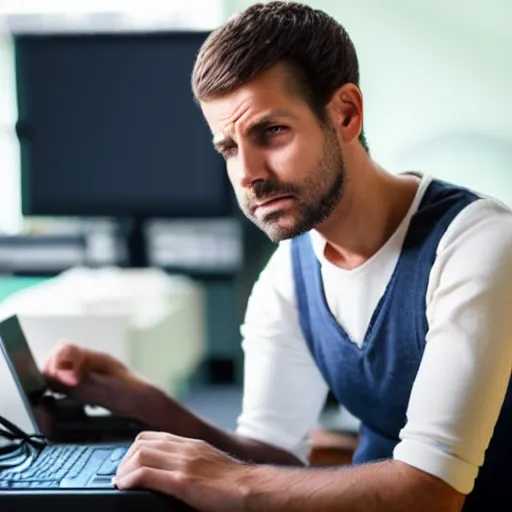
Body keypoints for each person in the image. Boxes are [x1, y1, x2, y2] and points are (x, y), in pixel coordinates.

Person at [43, 2, 512, 511]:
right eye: (227, 147)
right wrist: (144, 402)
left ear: (346, 114)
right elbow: (271, 461)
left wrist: (234, 483)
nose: (247, 173)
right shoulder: (290, 274)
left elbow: (430, 492)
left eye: (270, 132)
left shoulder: (477, 245)